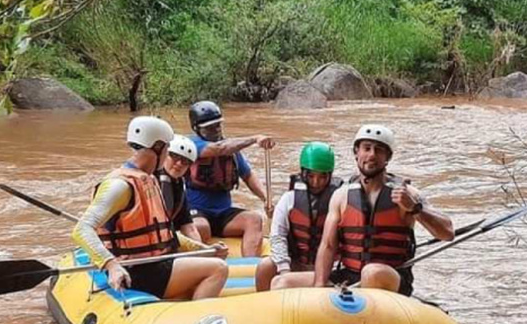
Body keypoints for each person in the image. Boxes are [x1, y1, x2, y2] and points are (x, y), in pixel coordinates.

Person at [72, 116, 228, 300]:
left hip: (156, 264)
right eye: (167, 149)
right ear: (158, 147)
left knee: (210, 261)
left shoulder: (147, 180)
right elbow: (81, 229)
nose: (168, 153)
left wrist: (202, 249)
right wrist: (111, 265)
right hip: (135, 271)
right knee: (218, 268)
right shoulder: (120, 185)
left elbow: (164, 234)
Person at [313, 124, 454, 296]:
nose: (372, 155)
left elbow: (447, 233)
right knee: (283, 282)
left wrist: (415, 209)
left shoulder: (408, 194)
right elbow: (327, 245)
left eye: (379, 150)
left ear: (388, 157)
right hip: (349, 277)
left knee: (371, 272)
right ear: (356, 153)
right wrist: (319, 288)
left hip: (390, 278)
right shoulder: (341, 196)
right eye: (366, 148)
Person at [185, 100, 275, 257]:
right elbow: (220, 149)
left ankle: (250, 267)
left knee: (254, 219)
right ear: (196, 129)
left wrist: (266, 198)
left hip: (223, 213)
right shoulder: (192, 145)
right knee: (202, 228)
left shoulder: (233, 150)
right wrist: (254, 139)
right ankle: (206, 265)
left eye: (218, 125)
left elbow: (247, 175)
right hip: (197, 211)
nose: (216, 130)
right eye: (209, 128)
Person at [255, 142, 343, 292]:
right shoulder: (288, 199)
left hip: (328, 267)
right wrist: (284, 270)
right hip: (295, 264)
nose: (316, 182)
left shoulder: (340, 199)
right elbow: (278, 237)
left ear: (330, 175)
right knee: (265, 266)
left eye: (322, 177)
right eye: (311, 176)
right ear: (303, 174)